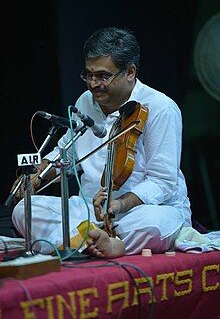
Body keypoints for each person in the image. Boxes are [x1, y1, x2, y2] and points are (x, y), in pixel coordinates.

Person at [12, 27, 192, 258]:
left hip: (141, 211)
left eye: (103, 76)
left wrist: (119, 205)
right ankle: (95, 241)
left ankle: (79, 243)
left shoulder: (161, 109)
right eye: (88, 75)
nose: (93, 84)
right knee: (24, 210)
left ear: (130, 72)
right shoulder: (86, 101)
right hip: (88, 211)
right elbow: (66, 152)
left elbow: (163, 182)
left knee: (156, 223)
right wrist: (38, 174)